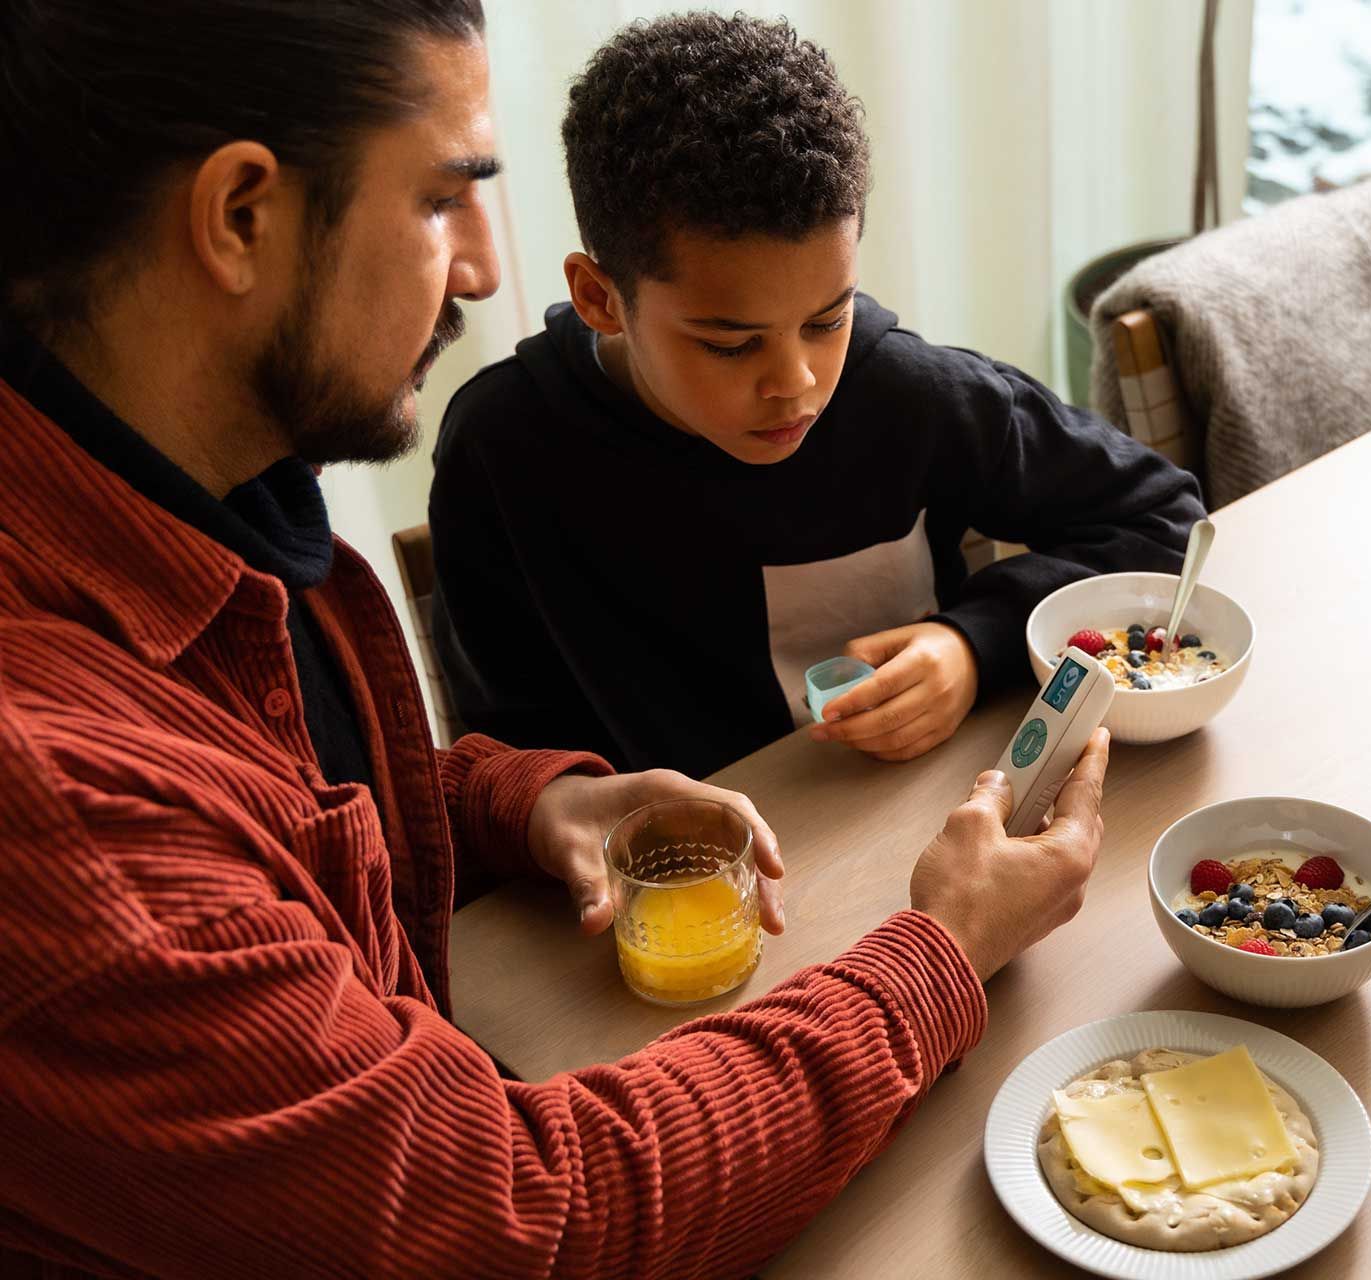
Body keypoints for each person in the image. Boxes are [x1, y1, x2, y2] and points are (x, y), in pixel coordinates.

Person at [0, 4, 1108, 1276]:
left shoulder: (200, 507)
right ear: (241, 214)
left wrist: (518, 800)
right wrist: (941, 952)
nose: (479, 268)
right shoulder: (59, 810)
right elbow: (529, 1219)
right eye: (438, 200)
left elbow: (264, 814)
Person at [428, 11, 1204, 778]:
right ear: (600, 299)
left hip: (905, 822)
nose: (796, 384)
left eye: (829, 318)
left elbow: (1160, 517)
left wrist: (973, 641)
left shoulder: (905, 396)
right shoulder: (502, 449)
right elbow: (501, 753)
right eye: (730, 344)